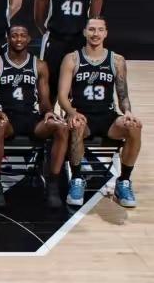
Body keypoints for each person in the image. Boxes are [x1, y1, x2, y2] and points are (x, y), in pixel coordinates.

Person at [0, 20, 69, 209]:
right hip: (7, 117)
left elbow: (44, 100)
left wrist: (49, 112)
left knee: (61, 127)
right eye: (14, 35)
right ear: (8, 39)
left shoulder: (39, 65)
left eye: (22, 35)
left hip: (31, 117)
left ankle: (53, 185)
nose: (19, 39)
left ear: (29, 39)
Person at [58, 16, 143, 208]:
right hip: (82, 116)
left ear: (106, 33)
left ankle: (124, 181)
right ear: (84, 32)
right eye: (91, 29)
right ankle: (77, 179)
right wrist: (71, 113)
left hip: (108, 117)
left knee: (134, 127)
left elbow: (123, 95)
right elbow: (62, 96)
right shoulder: (72, 59)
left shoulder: (117, 60)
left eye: (99, 30)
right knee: (77, 125)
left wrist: (128, 112)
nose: (95, 34)